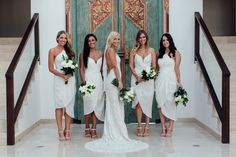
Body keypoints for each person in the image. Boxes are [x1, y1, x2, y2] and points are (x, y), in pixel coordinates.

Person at [85, 31, 148, 153]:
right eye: (115, 39)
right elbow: (114, 66)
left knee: (116, 106)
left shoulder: (110, 50)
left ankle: (116, 131)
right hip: (113, 80)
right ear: (110, 40)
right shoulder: (110, 51)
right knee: (114, 106)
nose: (117, 41)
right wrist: (119, 81)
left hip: (112, 78)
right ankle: (114, 133)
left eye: (118, 39)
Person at [48, 30, 76, 141]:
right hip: (59, 81)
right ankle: (60, 131)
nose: (63, 39)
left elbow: (73, 65)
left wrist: (69, 73)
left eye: (65, 38)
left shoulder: (69, 51)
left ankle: (67, 129)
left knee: (69, 104)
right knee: (59, 105)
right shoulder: (52, 51)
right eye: (61, 37)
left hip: (70, 80)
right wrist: (62, 75)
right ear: (57, 38)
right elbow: (50, 68)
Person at [129, 30, 156, 137]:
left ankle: (147, 126)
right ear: (137, 39)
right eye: (140, 38)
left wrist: (148, 76)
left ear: (146, 38)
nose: (142, 39)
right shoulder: (133, 51)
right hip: (136, 79)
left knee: (148, 101)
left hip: (148, 80)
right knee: (138, 102)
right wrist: (137, 77)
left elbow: (153, 65)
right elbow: (131, 65)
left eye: (144, 37)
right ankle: (139, 126)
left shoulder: (152, 50)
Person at [155, 33, 181, 137]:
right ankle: (163, 127)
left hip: (171, 80)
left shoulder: (176, 53)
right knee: (160, 103)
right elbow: (157, 69)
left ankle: (170, 128)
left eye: (167, 40)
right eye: (163, 40)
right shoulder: (159, 53)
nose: (165, 42)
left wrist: (179, 82)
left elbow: (177, 68)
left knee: (171, 102)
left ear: (170, 41)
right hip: (160, 80)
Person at [79, 34, 104, 138]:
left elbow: (102, 70)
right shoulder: (83, 54)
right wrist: (84, 82)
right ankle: (87, 126)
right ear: (87, 43)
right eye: (89, 41)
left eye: (93, 40)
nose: (91, 42)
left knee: (96, 104)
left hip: (98, 81)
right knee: (88, 104)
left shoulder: (101, 53)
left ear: (96, 41)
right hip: (88, 81)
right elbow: (81, 69)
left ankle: (94, 128)